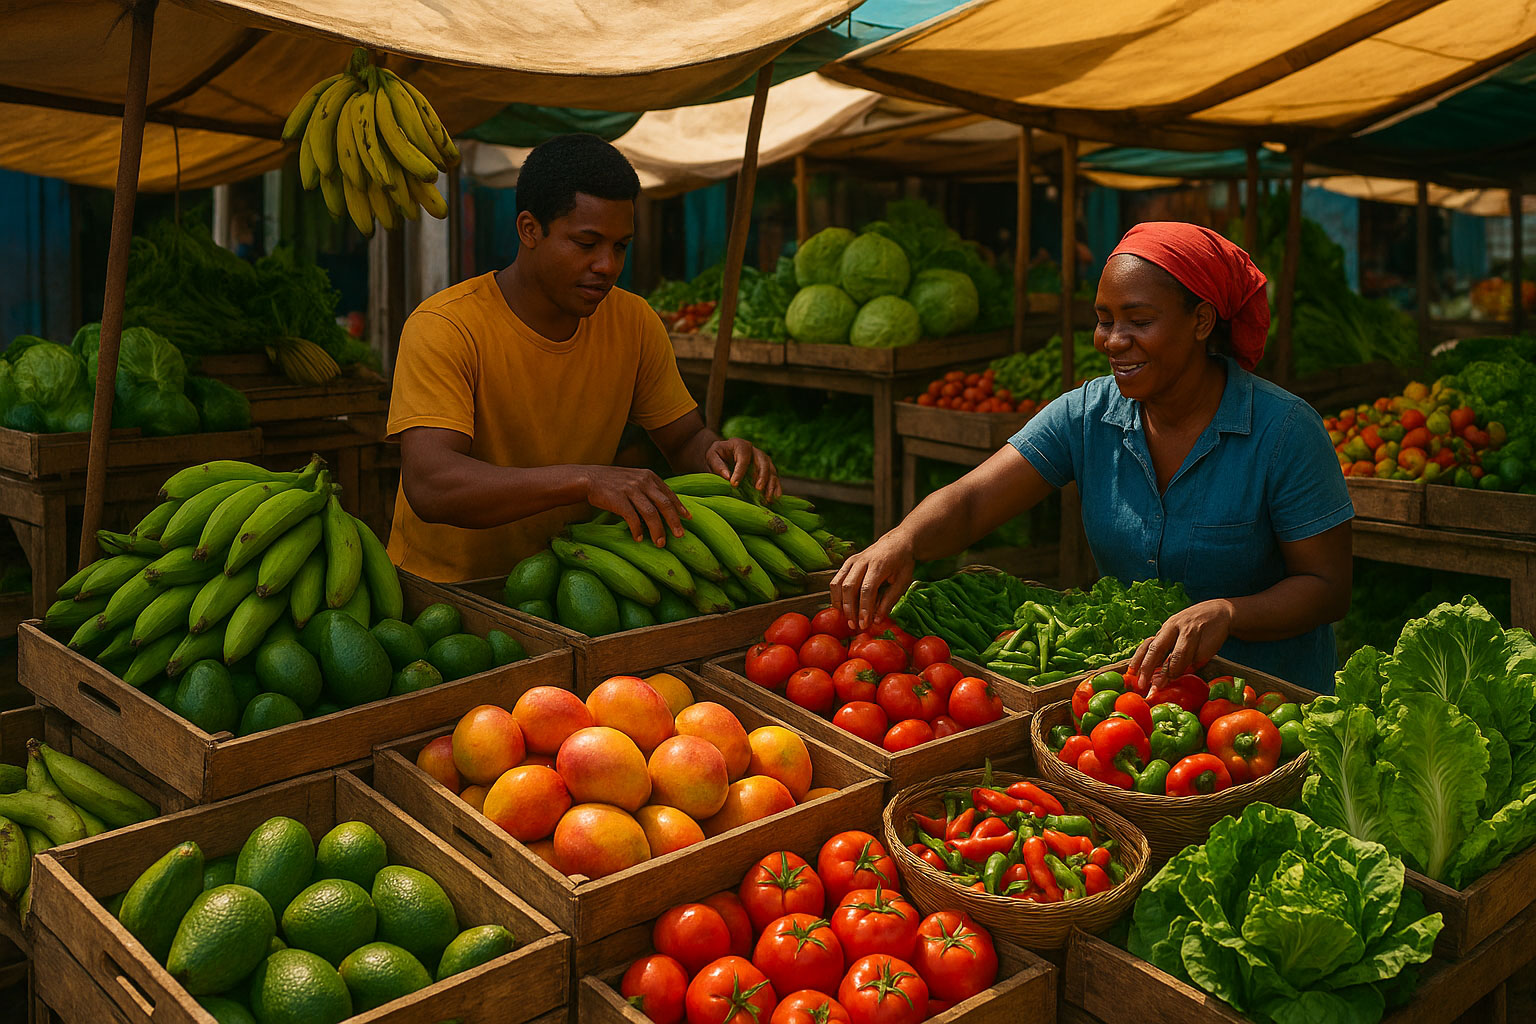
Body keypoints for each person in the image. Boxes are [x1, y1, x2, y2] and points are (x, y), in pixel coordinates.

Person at [832, 222, 1353, 691]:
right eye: (1104, 320)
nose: (1114, 341)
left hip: (1268, 704)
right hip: (1138, 700)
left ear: (1200, 321)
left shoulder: (1284, 430)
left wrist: (1227, 613)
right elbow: (973, 501)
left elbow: (1326, 588)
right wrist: (904, 540)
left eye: (1139, 320)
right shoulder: (1088, 413)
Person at [386, 133, 779, 582]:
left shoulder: (633, 321)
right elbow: (431, 485)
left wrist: (719, 455)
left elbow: (684, 439)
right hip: (446, 593)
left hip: (572, 585)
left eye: (620, 246)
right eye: (587, 243)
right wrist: (587, 480)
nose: (608, 265)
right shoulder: (444, 326)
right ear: (529, 229)